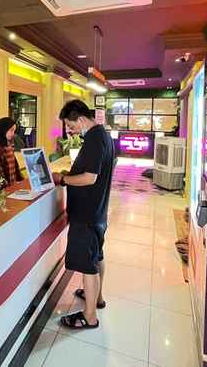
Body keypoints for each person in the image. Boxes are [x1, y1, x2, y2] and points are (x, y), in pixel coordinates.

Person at [53, 100, 114, 330]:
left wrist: (64, 179)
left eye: (70, 125)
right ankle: (96, 297)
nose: (70, 131)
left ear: (80, 119)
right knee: (97, 255)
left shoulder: (95, 140)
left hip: (87, 214)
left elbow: (90, 177)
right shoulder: (102, 135)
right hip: (98, 211)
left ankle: (89, 316)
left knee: (88, 264)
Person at [0, 117, 24, 189]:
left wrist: (22, 183)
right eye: (11, 130)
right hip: (1, 194)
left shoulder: (8, 145)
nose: (13, 134)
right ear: (2, 130)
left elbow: (16, 169)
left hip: (12, 190)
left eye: (14, 131)